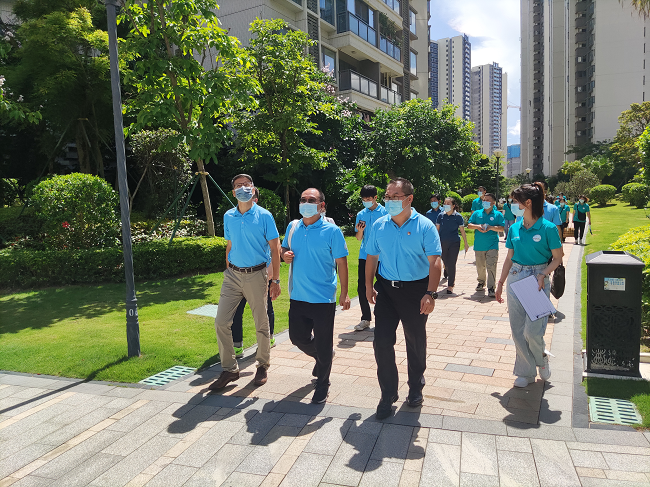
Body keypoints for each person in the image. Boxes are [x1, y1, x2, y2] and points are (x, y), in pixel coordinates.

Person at [365, 178, 442, 420]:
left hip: (416, 291)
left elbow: (435, 261)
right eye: (387, 196)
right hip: (387, 290)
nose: (389, 201)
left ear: (409, 199)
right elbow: (371, 257)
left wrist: (430, 293)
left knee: (415, 341)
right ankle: (388, 393)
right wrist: (368, 285)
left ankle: (415, 387)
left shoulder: (425, 226)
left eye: (395, 196)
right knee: (381, 341)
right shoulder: (379, 225)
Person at [209, 174, 281, 391]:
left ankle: (262, 365)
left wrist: (275, 279)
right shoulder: (228, 216)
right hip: (232, 275)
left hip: (256, 275)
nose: (243, 188)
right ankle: (230, 369)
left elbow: (275, 248)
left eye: (246, 184)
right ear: (233, 192)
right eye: (238, 186)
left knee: (261, 322)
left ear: (253, 189)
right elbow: (230, 245)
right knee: (221, 322)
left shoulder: (264, 215)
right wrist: (228, 267)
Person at [281, 188, 351, 404]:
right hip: (298, 295)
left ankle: (322, 383)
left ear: (321, 206)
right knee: (297, 338)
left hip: (323, 298)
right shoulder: (293, 227)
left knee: (323, 342)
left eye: (311, 200)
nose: (306, 203)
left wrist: (345, 293)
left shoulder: (332, 231)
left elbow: (342, 263)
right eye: (303, 200)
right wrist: (284, 255)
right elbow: (283, 249)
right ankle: (323, 357)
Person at [495, 182, 563, 388]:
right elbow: (509, 257)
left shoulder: (548, 228)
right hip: (516, 276)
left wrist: (543, 274)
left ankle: (541, 358)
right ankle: (525, 372)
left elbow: (557, 258)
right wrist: (500, 283)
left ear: (528, 203)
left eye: (515, 202)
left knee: (532, 331)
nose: (512, 205)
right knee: (517, 330)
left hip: (536, 280)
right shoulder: (515, 228)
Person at [231, 188, 276, 357]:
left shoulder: (263, 217)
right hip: (237, 274)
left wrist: (272, 271)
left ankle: (268, 338)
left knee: (264, 309)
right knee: (236, 310)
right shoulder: (233, 217)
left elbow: (274, 246)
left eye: (253, 198)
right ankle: (237, 344)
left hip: (260, 272)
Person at [354, 185, 387, 331]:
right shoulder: (361, 214)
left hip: (382, 256)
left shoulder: (385, 212)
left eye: (368, 199)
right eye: (364, 199)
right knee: (361, 287)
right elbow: (358, 238)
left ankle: (382, 316)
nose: (366, 201)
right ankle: (365, 318)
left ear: (375, 198)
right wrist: (360, 231)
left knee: (382, 287)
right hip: (365, 255)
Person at [468, 193, 505, 297]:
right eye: (484, 200)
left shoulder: (498, 215)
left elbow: (502, 228)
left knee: (491, 266)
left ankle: (491, 287)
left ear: (493, 203)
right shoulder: (477, 213)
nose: (485, 202)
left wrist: (491, 227)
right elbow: (469, 225)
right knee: (480, 266)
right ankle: (481, 282)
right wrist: (478, 226)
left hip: (492, 245)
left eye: (488, 200)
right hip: (479, 245)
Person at [436, 197, 469, 294]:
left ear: (453, 206)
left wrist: (466, 243)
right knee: (445, 262)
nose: (445, 205)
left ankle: (450, 285)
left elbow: (462, 230)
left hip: (454, 242)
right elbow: (437, 230)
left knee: (452, 263)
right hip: (442, 242)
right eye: (445, 203)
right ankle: (446, 269)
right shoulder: (440, 216)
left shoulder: (458, 216)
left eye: (448, 203)